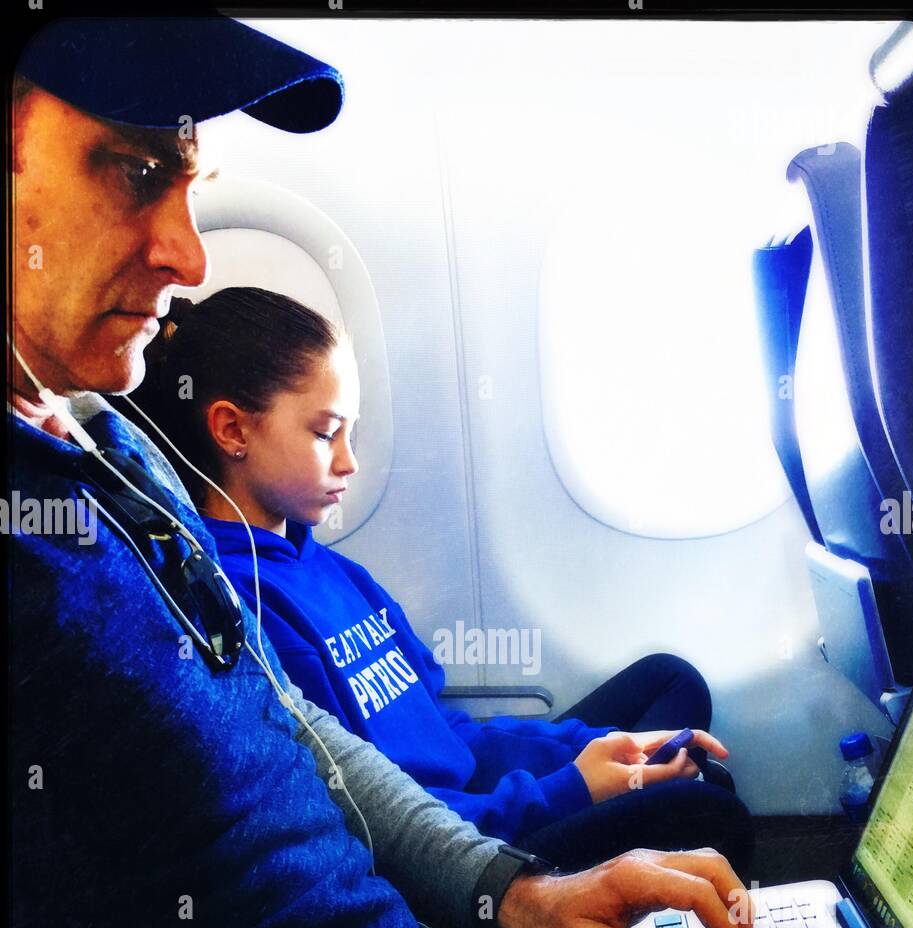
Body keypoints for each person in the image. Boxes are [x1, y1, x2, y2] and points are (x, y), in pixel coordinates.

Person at [7, 14, 795, 928]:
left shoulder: (103, 441)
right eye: (135, 169)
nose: (187, 252)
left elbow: (290, 724)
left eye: (193, 182)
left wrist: (516, 895)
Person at [132, 286, 754, 875]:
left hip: (483, 802)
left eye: (351, 432)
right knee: (707, 813)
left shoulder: (334, 570)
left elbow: (447, 733)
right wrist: (569, 789)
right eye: (325, 434)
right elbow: (374, 821)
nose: (350, 461)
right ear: (233, 430)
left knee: (671, 682)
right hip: (457, 853)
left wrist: (598, 749)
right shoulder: (246, 605)